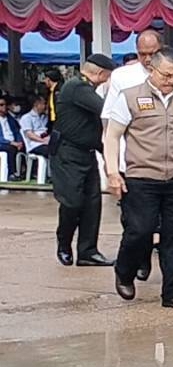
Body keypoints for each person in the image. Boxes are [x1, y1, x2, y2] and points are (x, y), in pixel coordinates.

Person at [102, 48, 173, 310]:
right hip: (141, 177)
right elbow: (113, 136)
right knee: (139, 231)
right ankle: (125, 270)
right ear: (152, 69)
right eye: (166, 75)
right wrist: (112, 171)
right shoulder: (129, 97)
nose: (171, 81)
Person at [51, 55, 116, 267]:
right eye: (107, 76)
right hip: (67, 153)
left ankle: (88, 251)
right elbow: (105, 109)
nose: (107, 80)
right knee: (72, 201)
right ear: (99, 73)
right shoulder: (77, 87)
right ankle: (64, 244)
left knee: (92, 203)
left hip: (87, 152)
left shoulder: (86, 88)